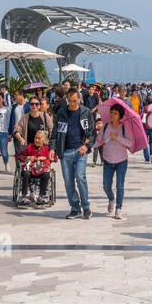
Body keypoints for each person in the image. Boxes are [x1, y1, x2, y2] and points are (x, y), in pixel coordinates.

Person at [52, 88, 96, 219]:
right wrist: (52, 148)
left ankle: (86, 207)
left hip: (80, 150)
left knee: (80, 177)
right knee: (68, 181)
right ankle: (75, 208)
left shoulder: (86, 112)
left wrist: (86, 145)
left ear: (79, 99)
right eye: (70, 101)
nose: (72, 104)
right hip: (65, 152)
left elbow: (92, 133)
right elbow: (55, 132)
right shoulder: (61, 113)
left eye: (75, 101)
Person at [96, 104, 136, 219]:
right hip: (107, 160)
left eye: (115, 113)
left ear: (120, 116)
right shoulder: (105, 126)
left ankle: (119, 208)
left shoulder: (124, 128)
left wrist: (117, 137)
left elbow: (130, 143)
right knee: (106, 186)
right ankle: (111, 198)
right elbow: (99, 141)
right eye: (111, 112)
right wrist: (90, 143)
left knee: (120, 186)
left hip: (121, 160)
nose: (112, 115)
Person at [17, 129, 56, 206]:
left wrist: (45, 158)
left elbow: (54, 158)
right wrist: (28, 157)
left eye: (39, 138)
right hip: (30, 170)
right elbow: (19, 156)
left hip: (41, 170)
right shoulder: (30, 147)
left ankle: (41, 196)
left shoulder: (47, 149)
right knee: (25, 173)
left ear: (44, 140)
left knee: (47, 174)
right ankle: (24, 196)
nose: (36, 140)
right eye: (35, 138)